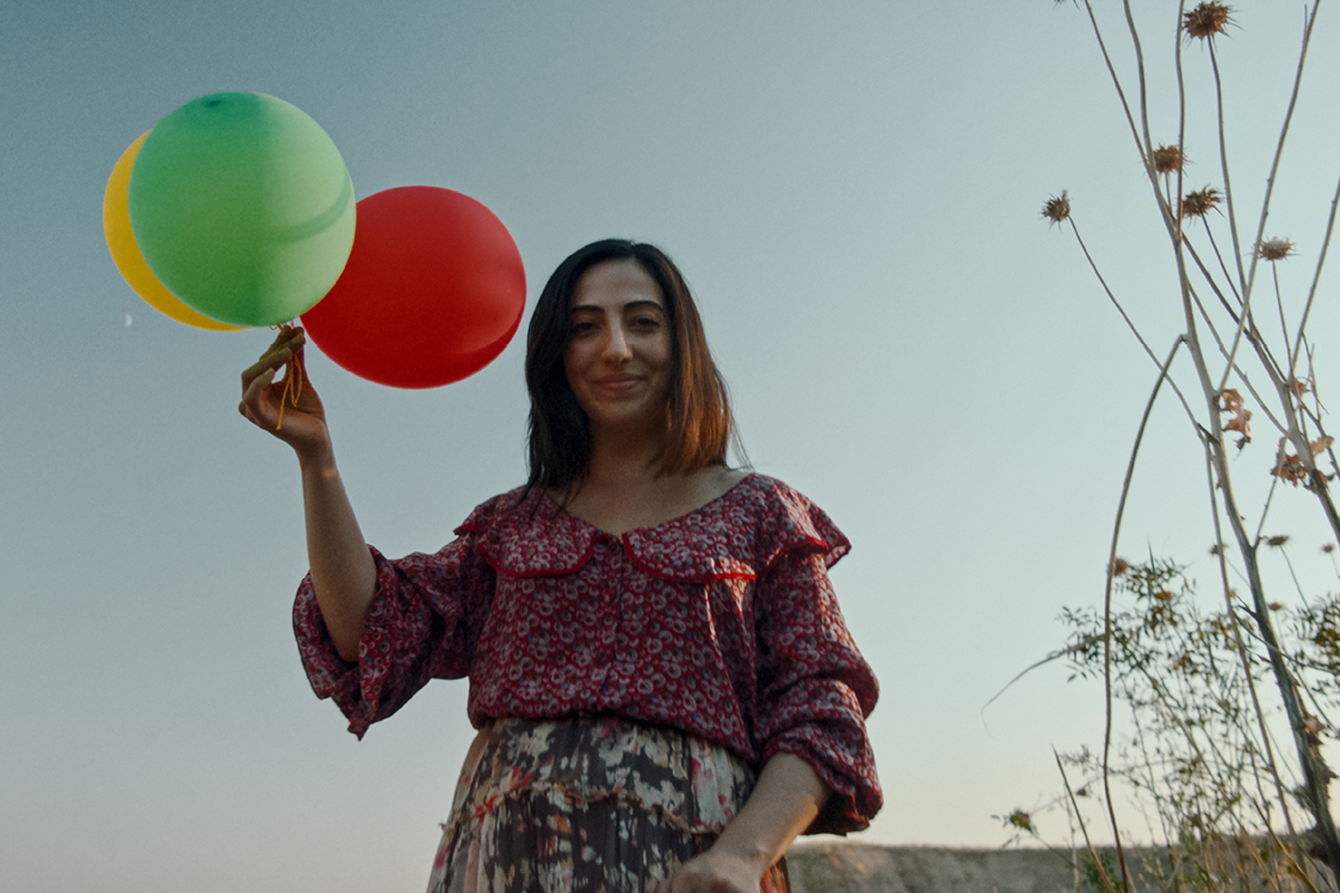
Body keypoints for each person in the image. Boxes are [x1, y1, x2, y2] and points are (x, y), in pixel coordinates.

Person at [239, 239, 881, 893]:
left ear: (683, 343)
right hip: (499, 859)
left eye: (642, 321)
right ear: (557, 353)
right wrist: (315, 457)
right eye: (584, 327)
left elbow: (823, 711)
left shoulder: (763, 513)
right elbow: (368, 628)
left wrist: (741, 856)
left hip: (695, 864)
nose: (616, 348)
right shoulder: (510, 523)